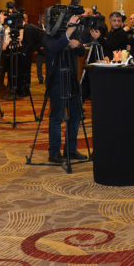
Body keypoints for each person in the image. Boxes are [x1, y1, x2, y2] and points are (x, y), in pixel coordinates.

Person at [44, 14, 87, 163]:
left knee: (75, 115)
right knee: (57, 116)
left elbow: (81, 52)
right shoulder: (49, 35)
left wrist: (78, 44)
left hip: (72, 78)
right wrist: (68, 34)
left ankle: (71, 150)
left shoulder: (72, 33)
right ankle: (54, 152)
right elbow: (54, 48)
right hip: (57, 80)